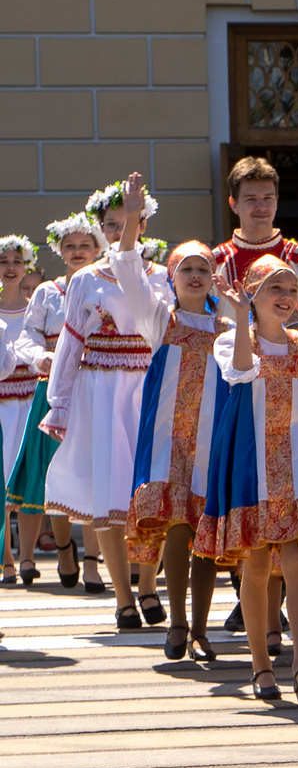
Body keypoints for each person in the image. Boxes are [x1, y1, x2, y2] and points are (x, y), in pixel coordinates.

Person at [201, 255, 298, 701]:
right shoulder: (231, 340)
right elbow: (240, 372)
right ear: (252, 294)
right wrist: (240, 317)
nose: (287, 297)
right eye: (276, 288)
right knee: (254, 561)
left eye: (291, 289)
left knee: (297, 557)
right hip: (250, 461)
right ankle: (261, 666)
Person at [41, 177, 165, 632]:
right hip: (100, 390)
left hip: (147, 387)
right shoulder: (86, 279)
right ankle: (123, 597)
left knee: (150, 489)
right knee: (108, 492)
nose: (118, 231)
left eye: (127, 221)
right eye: (110, 225)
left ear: (142, 223)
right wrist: (59, 403)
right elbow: (71, 343)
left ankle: (148, 583)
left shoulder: (159, 275)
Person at [124, 238, 227, 663]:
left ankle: (200, 629)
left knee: (205, 533)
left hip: (212, 442)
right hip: (168, 444)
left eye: (203, 269)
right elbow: (129, 274)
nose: (195, 276)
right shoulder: (159, 319)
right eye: (187, 269)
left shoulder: (227, 328)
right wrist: (131, 223)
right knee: (178, 527)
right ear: (172, 277)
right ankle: (179, 622)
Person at [11, 213, 93, 587]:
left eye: (85, 245)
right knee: (53, 471)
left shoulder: (104, 285)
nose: (77, 251)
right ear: (60, 250)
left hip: (93, 386)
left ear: (97, 249)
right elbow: (27, 335)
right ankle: (63, 549)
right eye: (70, 245)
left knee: (92, 471)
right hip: (54, 389)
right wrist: (39, 356)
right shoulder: (47, 292)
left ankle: (91, 561)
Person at [214, 157, 298, 337]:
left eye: (268, 198)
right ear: (234, 204)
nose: (261, 206)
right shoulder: (215, 264)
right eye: (251, 199)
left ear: (277, 200)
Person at [0, 235, 42, 585]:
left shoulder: (35, 307)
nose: (10, 268)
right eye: (3, 262)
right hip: (2, 403)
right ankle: (7, 556)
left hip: (29, 399)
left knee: (29, 476)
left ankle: (27, 554)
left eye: (16, 261)